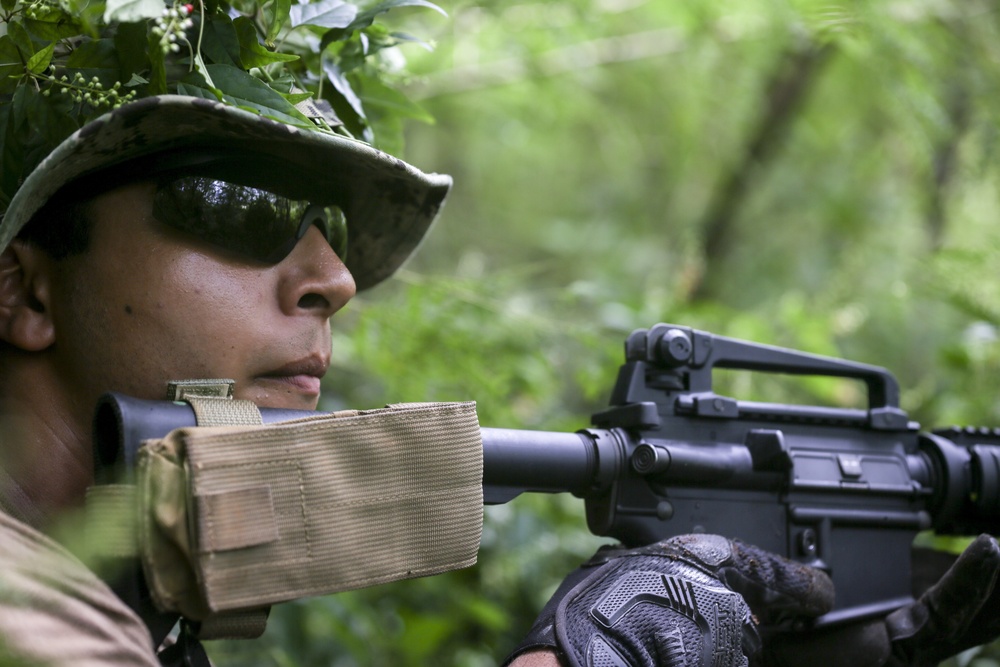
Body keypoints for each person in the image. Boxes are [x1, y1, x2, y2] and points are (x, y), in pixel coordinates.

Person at [1, 7, 999, 667]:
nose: (334, 279)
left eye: (332, 231)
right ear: (24, 287)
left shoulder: (117, 592)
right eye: (237, 201)